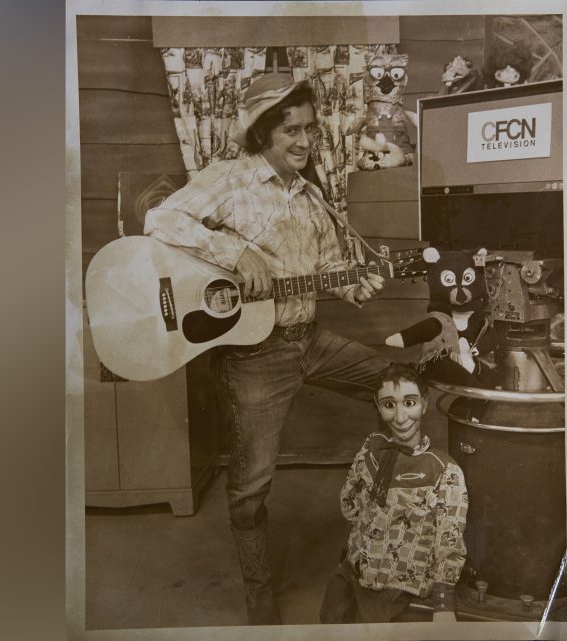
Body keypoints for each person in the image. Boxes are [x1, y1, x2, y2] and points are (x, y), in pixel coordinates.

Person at [143, 73, 390, 626]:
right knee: (252, 483)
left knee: (398, 388)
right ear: (263, 133)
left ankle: (392, 527)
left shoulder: (313, 197)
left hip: (312, 341)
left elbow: (328, 269)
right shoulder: (229, 179)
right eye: (290, 131)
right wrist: (233, 252)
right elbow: (159, 218)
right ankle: (258, 589)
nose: (303, 142)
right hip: (255, 357)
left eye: (310, 129)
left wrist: (353, 284)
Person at [320, 362, 468, 624]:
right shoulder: (371, 449)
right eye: (389, 405)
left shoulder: (444, 469)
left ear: (424, 403)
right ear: (378, 407)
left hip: (397, 585)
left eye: (409, 403)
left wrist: (444, 603)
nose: (400, 418)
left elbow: (449, 538)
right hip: (353, 571)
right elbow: (350, 505)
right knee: (330, 619)